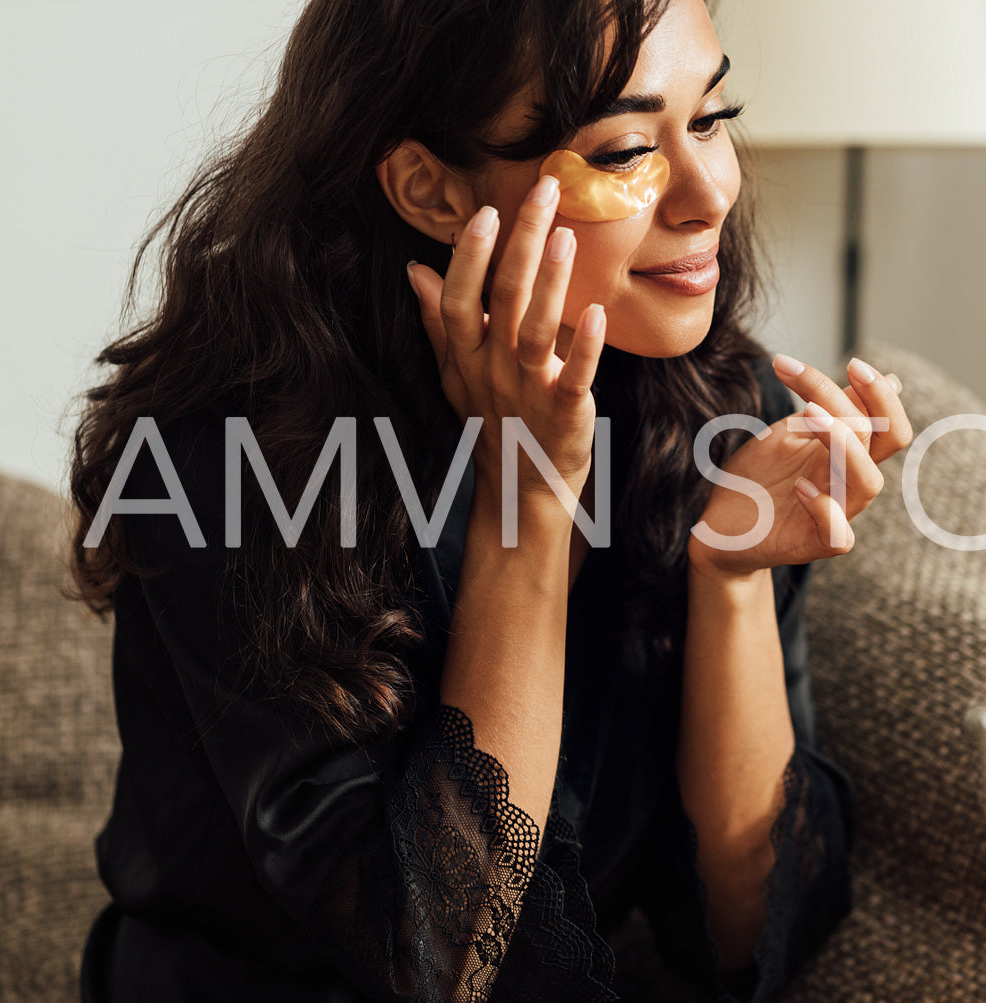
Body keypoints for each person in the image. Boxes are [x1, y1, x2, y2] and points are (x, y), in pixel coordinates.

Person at [65, 0, 913, 1000]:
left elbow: (748, 942)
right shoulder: (220, 458)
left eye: (713, 118)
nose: (705, 194)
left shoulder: (718, 412)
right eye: (625, 149)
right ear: (427, 188)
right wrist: (529, 503)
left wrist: (729, 579)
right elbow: (435, 962)